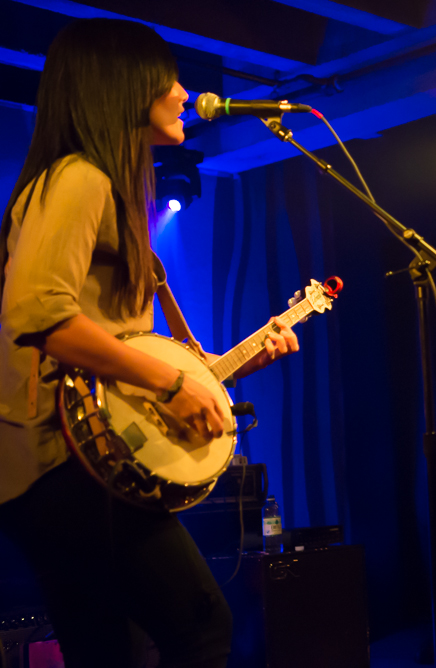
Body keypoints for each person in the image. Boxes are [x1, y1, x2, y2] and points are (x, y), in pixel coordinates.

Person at [0, 19, 299, 668]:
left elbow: (131, 369)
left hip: (82, 461)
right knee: (189, 626)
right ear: (124, 88)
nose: (185, 91)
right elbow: (36, 312)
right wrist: (171, 382)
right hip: (57, 462)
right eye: (167, 77)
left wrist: (222, 369)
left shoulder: (115, 194)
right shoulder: (77, 178)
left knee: (128, 644)